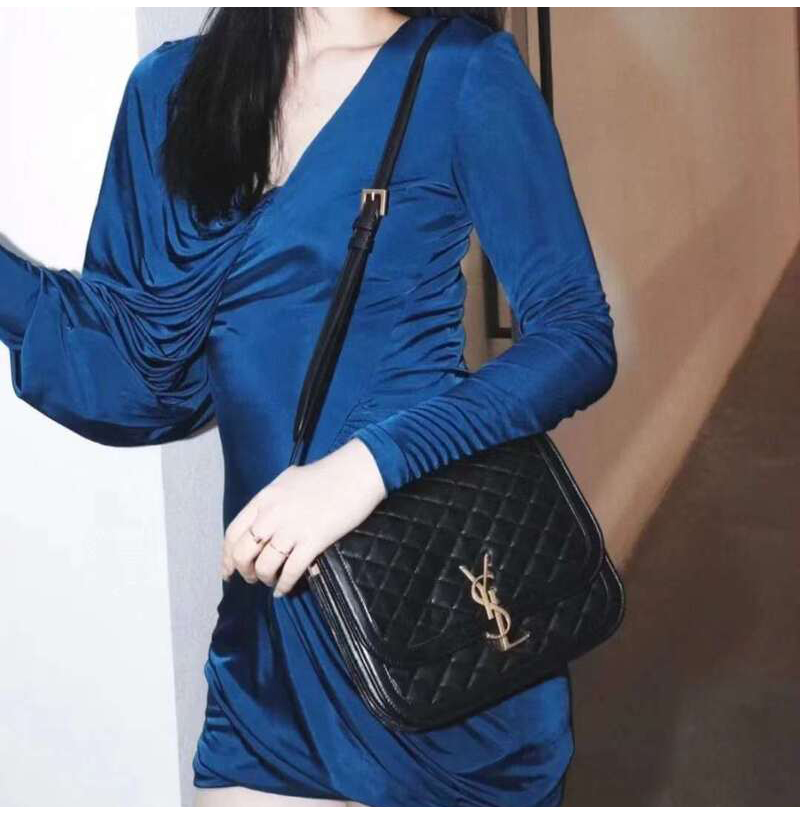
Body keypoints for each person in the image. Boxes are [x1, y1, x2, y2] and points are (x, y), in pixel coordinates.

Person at [0, 7, 617, 807]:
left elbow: (575, 336)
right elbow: (135, 374)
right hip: (271, 657)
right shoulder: (171, 92)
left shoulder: (462, 71)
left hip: (440, 637)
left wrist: (364, 469)